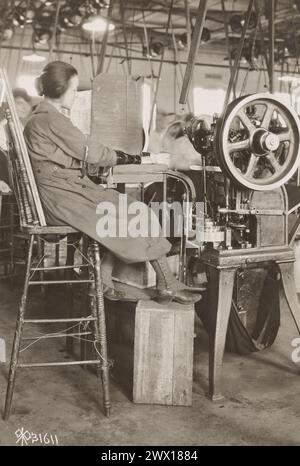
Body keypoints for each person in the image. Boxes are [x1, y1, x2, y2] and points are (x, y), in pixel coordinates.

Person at [23, 61, 202, 304]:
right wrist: (123, 156)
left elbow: (68, 156)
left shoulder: (41, 119)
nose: (75, 95)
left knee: (123, 210)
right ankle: (165, 282)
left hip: (61, 192)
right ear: (60, 90)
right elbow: (91, 151)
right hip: (62, 198)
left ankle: (107, 281)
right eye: (74, 90)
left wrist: (101, 161)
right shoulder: (51, 120)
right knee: (133, 211)